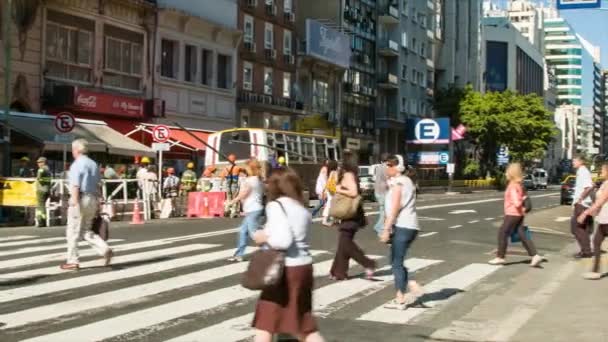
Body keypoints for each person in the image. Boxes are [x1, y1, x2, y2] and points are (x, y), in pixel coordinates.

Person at [251, 168, 325, 342]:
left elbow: (282, 241)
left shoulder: (275, 206)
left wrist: (262, 237)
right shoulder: (301, 208)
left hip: (284, 270)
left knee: (266, 322)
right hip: (304, 267)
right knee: (303, 325)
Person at [380, 155, 424, 309]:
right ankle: (410, 283)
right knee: (394, 260)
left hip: (404, 226)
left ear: (397, 167)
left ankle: (400, 298)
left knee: (396, 263)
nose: (387, 168)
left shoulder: (400, 182)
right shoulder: (403, 182)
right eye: (386, 165)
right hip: (408, 226)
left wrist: (386, 229)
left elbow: (395, 207)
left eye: (389, 165)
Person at [61, 139, 113, 270]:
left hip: (80, 198)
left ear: (77, 150)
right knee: (86, 229)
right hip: (93, 198)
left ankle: (73, 260)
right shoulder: (93, 164)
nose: (72, 152)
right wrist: (99, 202)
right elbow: (98, 184)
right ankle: (104, 248)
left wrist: (73, 200)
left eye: (73, 149)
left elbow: (75, 185)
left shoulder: (76, 164)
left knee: (72, 231)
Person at [329, 151, 376, 280]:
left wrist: (337, 188)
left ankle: (368, 263)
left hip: (350, 213)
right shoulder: (349, 174)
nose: (340, 162)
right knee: (343, 243)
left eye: (342, 160)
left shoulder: (349, 175)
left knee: (346, 244)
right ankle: (338, 272)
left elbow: (354, 192)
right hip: (351, 213)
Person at [488, 163, 543, 266]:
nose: (505, 173)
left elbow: (516, 202)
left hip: (513, 213)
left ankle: (500, 257)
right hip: (519, 214)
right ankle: (535, 255)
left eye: (507, 171)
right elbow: (522, 198)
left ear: (511, 173)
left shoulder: (512, 185)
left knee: (502, 232)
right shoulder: (519, 185)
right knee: (522, 234)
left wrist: (519, 204)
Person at [227, 160, 265, 262]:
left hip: (253, 209)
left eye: (246, 167)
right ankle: (239, 255)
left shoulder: (250, 180)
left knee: (254, 234)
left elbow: (243, 194)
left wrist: (231, 202)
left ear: (250, 169)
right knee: (243, 231)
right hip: (255, 209)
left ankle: (271, 251)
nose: (245, 169)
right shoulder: (259, 179)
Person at [578, 162, 608, 279]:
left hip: (607, 220)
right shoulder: (604, 183)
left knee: (596, 242)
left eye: (603, 170)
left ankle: (595, 271)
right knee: (596, 242)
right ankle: (595, 271)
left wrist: (585, 213)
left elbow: (600, 201)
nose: (601, 172)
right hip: (603, 219)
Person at [571, 155, 595, 258]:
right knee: (581, 228)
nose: (573, 163)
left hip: (582, 204)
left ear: (580, 161)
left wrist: (580, 198)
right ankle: (585, 250)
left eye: (574, 161)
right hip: (583, 204)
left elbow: (589, 187)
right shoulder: (582, 171)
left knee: (577, 228)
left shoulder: (582, 171)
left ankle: (586, 251)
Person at [374, 153, 390, 236]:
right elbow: (387, 179)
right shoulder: (386, 167)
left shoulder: (378, 167)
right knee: (385, 212)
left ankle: (379, 226)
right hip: (383, 191)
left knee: (382, 210)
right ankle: (380, 229)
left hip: (377, 191)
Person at [35, 157, 52, 227]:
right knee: (42, 205)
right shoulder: (48, 169)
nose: (38, 164)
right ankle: (43, 220)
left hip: (41, 190)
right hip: (47, 189)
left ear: (43, 162)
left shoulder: (41, 169)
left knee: (40, 206)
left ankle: (41, 221)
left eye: (39, 162)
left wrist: (39, 179)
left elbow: (39, 177)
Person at [321, 160, 339, 226]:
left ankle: (334, 219)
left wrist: (325, 190)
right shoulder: (335, 172)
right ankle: (325, 220)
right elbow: (336, 181)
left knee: (332, 204)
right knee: (330, 204)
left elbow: (328, 181)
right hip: (333, 190)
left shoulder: (330, 172)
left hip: (330, 189)